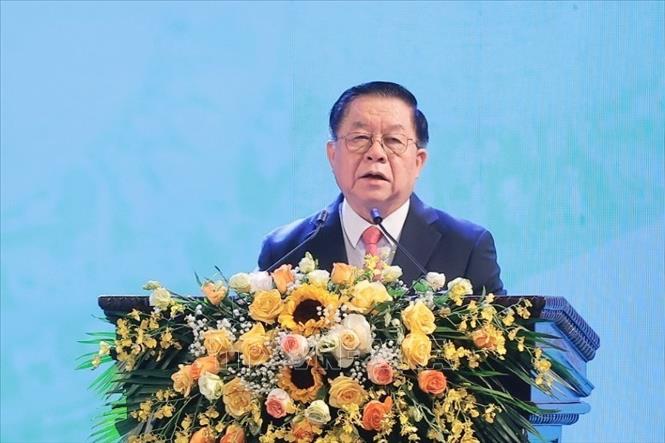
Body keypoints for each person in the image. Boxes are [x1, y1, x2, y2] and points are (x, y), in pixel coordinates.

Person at [258, 81, 505, 295]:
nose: (376, 153)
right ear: (333, 155)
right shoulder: (284, 249)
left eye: (393, 140)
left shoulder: (466, 248)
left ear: (418, 162)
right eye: (359, 138)